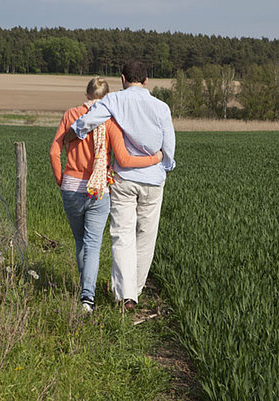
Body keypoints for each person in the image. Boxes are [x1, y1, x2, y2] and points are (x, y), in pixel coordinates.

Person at [67, 61, 176, 311]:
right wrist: (163, 164)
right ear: (147, 80)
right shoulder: (161, 107)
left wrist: (73, 133)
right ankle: (135, 291)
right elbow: (168, 146)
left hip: (125, 178)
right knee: (146, 236)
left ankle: (125, 294)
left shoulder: (115, 100)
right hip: (153, 179)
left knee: (122, 235)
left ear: (123, 78)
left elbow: (88, 121)